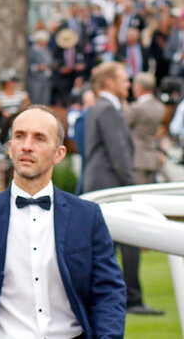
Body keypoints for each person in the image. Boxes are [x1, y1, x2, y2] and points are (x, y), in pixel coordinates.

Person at [0, 106, 126, 338]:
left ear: (59, 153)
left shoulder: (87, 217)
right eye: (20, 136)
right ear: (9, 148)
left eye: (39, 138)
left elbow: (108, 293)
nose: (27, 145)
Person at [84, 61, 162, 316]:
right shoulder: (108, 109)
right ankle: (132, 300)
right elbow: (118, 154)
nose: (129, 84)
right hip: (111, 185)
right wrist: (132, 187)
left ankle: (119, 298)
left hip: (106, 182)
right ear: (109, 82)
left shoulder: (107, 107)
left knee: (109, 246)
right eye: (124, 79)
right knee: (128, 241)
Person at [126, 72, 165, 185]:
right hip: (152, 157)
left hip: (137, 159)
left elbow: (123, 126)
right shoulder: (160, 107)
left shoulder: (136, 108)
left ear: (139, 88)